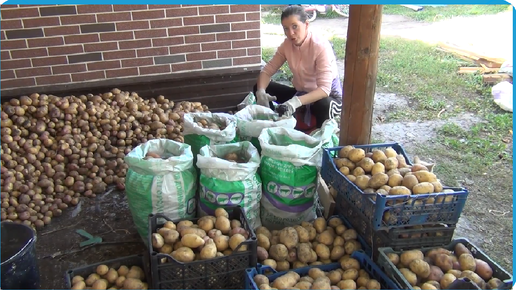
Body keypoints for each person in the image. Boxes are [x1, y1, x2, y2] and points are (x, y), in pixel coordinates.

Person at [253, 5, 343, 131]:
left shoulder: (320, 46)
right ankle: (273, 124)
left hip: (327, 97)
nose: (291, 33)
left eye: (295, 26)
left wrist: (295, 102)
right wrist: (261, 92)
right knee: (259, 86)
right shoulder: (287, 45)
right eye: (286, 29)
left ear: (306, 24)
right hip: (301, 94)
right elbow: (267, 71)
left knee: (324, 104)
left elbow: (324, 90)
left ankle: (320, 142)